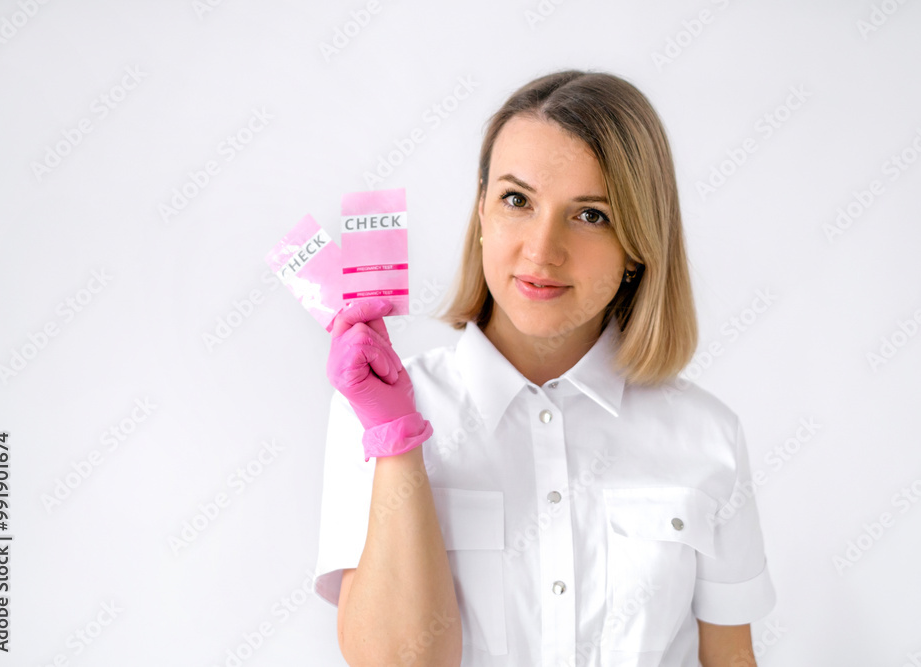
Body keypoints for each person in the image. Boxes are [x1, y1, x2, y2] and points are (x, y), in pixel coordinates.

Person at [313, 69, 776, 667]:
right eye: (517, 200)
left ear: (639, 244)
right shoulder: (377, 413)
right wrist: (394, 435)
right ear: (481, 213)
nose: (541, 250)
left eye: (590, 215)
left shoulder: (708, 436)